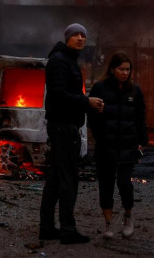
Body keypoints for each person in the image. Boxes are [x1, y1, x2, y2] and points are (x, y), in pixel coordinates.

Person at [39, 23, 105, 245]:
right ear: (67, 37)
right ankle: (68, 230)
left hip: (64, 126)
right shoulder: (59, 61)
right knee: (68, 180)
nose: (80, 38)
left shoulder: (68, 60)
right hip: (63, 127)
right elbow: (58, 96)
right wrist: (86, 102)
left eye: (83, 35)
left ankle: (47, 227)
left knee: (56, 179)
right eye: (75, 35)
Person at [87, 51, 147, 239]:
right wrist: (99, 136)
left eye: (128, 70)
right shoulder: (100, 88)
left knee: (124, 183)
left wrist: (142, 143)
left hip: (128, 147)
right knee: (106, 185)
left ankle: (128, 215)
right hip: (106, 147)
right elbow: (91, 115)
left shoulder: (135, 91)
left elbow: (140, 118)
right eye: (121, 69)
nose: (125, 73)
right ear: (112, 69)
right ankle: (108, 224)